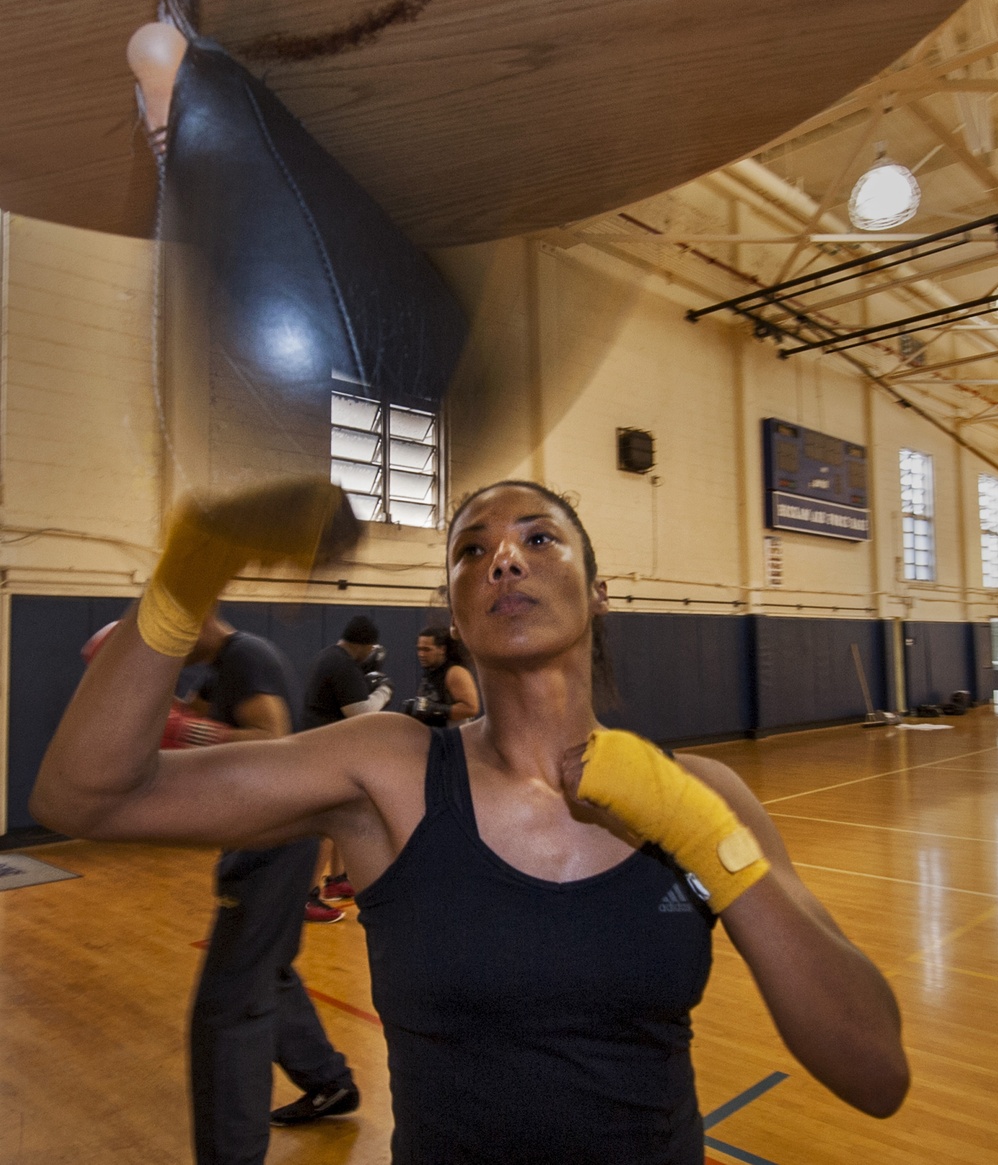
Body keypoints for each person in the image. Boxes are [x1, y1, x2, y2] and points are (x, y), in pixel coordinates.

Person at [32, 475, 910, 1165]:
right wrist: (190, 569)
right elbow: (84, 796)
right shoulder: (388, 769)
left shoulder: (703, 794)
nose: (505, 559)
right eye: (472, 549)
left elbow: (875, 1071)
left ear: (598, 591)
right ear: (454, 608)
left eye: (539, 537)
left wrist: (700, 831)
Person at [182, 608, 359, 1161]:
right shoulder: (220, 669)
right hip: (265, 837)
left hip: (276, 843)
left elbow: (270, 736)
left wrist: (185, 729)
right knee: (267, 971)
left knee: (229, 1004)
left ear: (199, 617)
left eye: (171, 631)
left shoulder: (247, 655)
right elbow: (188, 723)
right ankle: (329, 1080)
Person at [301, 614, 394, 916]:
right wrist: (384, 691)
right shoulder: (343, 665)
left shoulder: (330, 656)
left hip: (322, 749)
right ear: (366, 646)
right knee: (328, 824)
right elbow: (362, 714)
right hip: (325, 753)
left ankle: (337, 880)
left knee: (342, 816)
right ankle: (308, 895)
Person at [402, 625, 480, 726]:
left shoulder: (455, 672)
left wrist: (435, 710)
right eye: (419, 649)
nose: (421, 654)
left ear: (442, 649)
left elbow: (471, 709)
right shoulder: (431, 671)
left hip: (454, 737)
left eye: (427, 650)